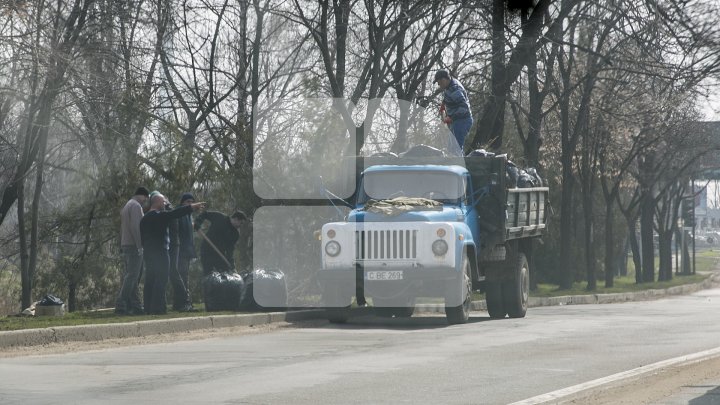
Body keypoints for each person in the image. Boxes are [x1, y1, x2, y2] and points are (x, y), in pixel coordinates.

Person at [141, 193, 205, 314]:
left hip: (149, 253)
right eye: (163, 202)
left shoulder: (144, 218)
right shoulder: (160, 216)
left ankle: (148, 308)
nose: (165, 204)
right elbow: (175, 213)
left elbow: (142, 238)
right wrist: (192, 207)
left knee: (150, 280)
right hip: (161, 252)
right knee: (161, 279)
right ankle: (157, 308)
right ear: (157, 202)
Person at [115, 187, 149, 315]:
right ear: (141, 195)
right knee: (132, 276)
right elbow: (136, 227)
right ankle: (121, 304)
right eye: (145, 198)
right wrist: (140, 246)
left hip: (126, 244)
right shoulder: (135, 206)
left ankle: (136, 306)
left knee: (132, 276)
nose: (145, 201)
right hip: (134, 245)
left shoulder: (127, 205)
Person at [194, 210, 250, 275]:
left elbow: (230, 250)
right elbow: (205, 213)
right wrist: (198, 222)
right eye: (241, 223)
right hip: (207, 251)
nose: (241, 225)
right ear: (236, 219)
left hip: (220, 256)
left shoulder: (235, 234)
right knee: (209, 274)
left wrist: (231, 264)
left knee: (225, 275)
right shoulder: (220, 217)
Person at [435, 69, 473, 156]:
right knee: (451, 149)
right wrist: (444, 104)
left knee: (455, 150)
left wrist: (451, 117)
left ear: (443, 80)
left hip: (462, 121)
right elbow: (453, 99)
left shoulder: (454, 89)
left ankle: (459, 168)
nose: (438, 84)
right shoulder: (450, 84)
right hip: (458, 121)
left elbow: (464, 107)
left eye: (439, 82)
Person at [169, 192, 197, 312]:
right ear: (182, 203)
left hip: (187, 251)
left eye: (192, 202)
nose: (190, 204)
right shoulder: (180, 213)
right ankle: (182, 303)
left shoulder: (189, 215)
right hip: (180, 251)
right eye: (187, 202)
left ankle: (182, 303)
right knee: (181, 277)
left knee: (185, 277)